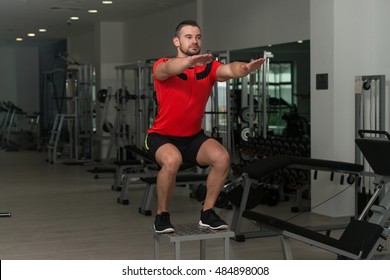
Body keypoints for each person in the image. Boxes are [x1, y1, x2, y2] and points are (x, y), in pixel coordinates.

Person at [145, 19, 265, 233]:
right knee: (172, 160)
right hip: (162, 136)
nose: (195, 41)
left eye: (198, 37)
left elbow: (229, 69)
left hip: (192, 137)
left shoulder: (208, 68)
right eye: (188, 37)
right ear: (176, 41)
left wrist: (244, 68)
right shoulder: (162, 64)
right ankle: (162, 215)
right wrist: (189, 62)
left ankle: (207, 212)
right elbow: (169, 68)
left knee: (222, 157)